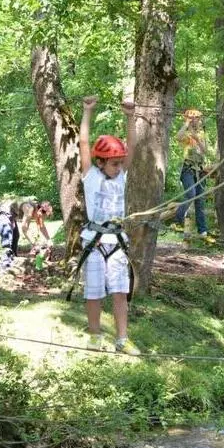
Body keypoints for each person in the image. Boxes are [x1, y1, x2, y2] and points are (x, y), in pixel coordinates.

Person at [78, 95, 140, 356]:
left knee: (119, 292)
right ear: (100, 162)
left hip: (116, 241)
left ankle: (122, 338)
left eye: (119, 163)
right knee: (93, 292)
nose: (118, 167)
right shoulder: (90, 175)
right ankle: (94, 335)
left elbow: (132, 148)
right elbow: (83, 142)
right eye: (114, 163)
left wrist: (130, 118)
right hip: (94, 240)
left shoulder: (121, 176)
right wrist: (87, 111)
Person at [171, 109, 210, 238]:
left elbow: (205, 151)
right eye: (194, 119)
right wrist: (186, 123)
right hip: (187, 168)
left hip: (199, 170)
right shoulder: (186, 134)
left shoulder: (201, 134)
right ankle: (178, 220)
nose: (197, 121)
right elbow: (178, 137)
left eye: (198, 119)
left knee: (200, 200)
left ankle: (202, 230)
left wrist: (198, 139)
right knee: (191, 194)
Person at [0, 196, 53, 273]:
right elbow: (24, 228)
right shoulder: (29, 208)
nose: (38, 219)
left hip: (10, 215)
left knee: (15, 236)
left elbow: (41, 226)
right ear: (39, 210)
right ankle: (5, 264)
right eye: (39, 217)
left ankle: (13, 260)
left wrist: (49, 240)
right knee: (7, 233)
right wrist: (35, 244)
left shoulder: (36, 211)